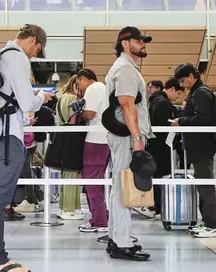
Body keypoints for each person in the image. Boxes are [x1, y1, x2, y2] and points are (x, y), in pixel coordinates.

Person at [0, 24, 53, 272]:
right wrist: (42, 96)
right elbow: (27, 101)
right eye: (37, 48)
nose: (34, 54)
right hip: (7, 140)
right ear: (32, 40)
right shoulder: (18, 59)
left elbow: (6, 100)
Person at [104, 26, 153, 261]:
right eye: (138, 41)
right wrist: (136, 138)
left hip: (124, 135)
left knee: (119, 185)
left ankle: (116, 237)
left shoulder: (126, 67)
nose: (143, 44)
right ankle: (121, 242)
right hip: (126, 136)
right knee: (125, 187)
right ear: (125, 43)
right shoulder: (124, 68)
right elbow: (126, 103)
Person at [171, 63, 216, 238]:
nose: (182, 85)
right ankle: (205, 221)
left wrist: (181, 121)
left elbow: (202, 119)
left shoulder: (201, 93)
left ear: (192, 76)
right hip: (198, 145)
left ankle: (211, 224)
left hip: (202, 145)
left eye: (184, 81)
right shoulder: (197, 92)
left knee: (206, 185)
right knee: (202, 184)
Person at [135, 77, 183, 219]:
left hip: (152, 145)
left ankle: (154, 205)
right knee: (161, 175)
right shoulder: (163, 103)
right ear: (172, 89)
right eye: (178, 94)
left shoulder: (154, 101)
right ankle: (157, 207)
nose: (178, 97)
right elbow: (162, 126)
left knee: (155, 175)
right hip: (160, 146)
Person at [76, 69, 109, 233]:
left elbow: (89, 114)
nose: (79, 87)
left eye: (79, 83)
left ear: (83, 79)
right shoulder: (102, 88)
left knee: (92, 181)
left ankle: (99, 221)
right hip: (104, 138)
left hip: (96, 139)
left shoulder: (93, 88)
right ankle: (101, 217)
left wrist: (78, 113)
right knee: (96, 181)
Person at [54, 75, 84, 220]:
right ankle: (70, 208)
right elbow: (73, 119)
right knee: (72, 173)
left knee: (66, 173)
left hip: (61, 137)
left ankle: (65, 207)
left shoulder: (61, 97)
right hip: (72, 138)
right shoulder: (73, 99)